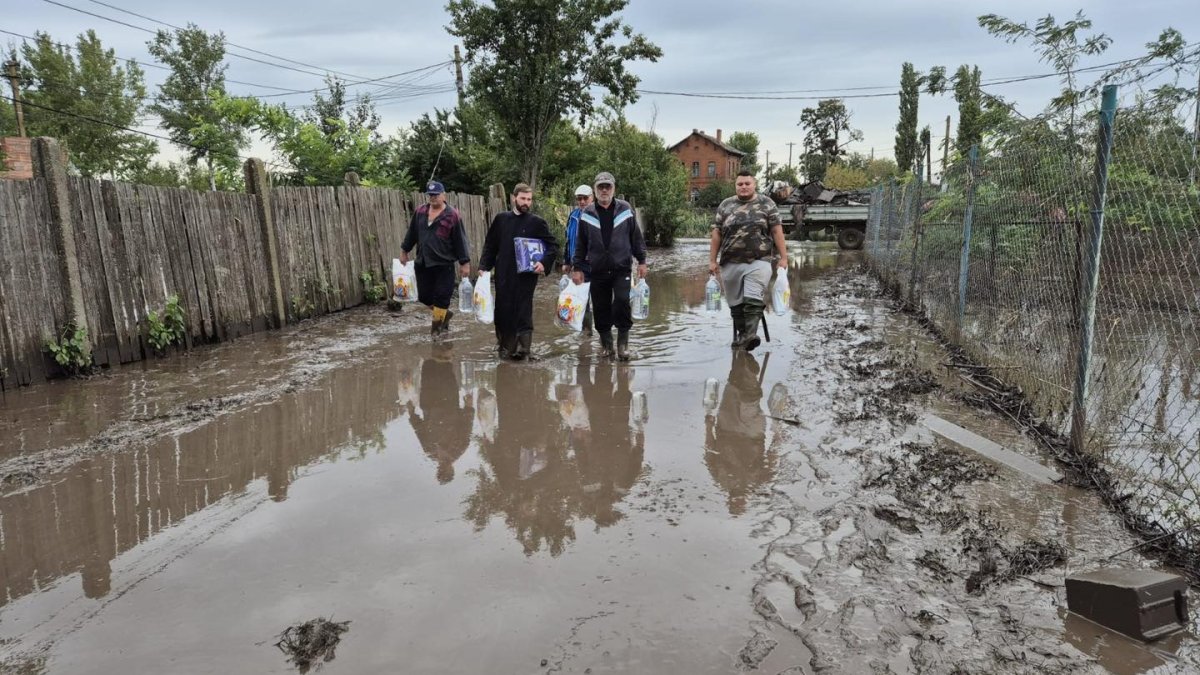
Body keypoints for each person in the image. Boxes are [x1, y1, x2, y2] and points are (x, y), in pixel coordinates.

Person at [571, 172, 647, 361]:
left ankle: (623, 345)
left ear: (614, 188)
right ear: (595, 190)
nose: (604, 190)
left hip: (621, 268)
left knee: (621, 301)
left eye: (608, 186)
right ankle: (606, 346)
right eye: (600, 187)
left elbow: (636, 237)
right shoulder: (587, 213)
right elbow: (580, 243)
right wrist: (577, 267)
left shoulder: (625, 209)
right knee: (600, 307)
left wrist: (642, 261)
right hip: (596, 269)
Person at [710, 170, 788, 352]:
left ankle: (751, 334)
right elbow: (716, 234)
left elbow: (777, 231)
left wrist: (783, 257)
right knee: (735, 302)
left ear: (754, 184)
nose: (743, 187)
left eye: (747, 183)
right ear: (735, 186)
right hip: (730, 261)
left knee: (752, 297)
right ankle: (743, 335)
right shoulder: (725, 205)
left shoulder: (767, 204)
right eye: (740, 184)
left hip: (759, 260)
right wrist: (712, 261)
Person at [479, 183, 559, 360]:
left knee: (523, 309)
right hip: (504, 273)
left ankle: (524, 350)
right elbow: (490, 245)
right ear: (513, 198)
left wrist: (543, 263)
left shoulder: (537, 222)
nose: (526, 203)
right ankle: (505, 346)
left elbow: (552, 246)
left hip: (526, 276)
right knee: (502, 310)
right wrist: (484, 267)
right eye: (523, 198)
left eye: (529, 199)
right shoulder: (501, 219)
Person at [399, 181, 472, 337]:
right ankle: (445, 315)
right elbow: (412, 233)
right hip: (423, 262)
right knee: (424, 296)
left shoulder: (452, 215)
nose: (433, 198)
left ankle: (436, 333)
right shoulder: (420, 212)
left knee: (441, 297)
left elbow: (460, 239)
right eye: (430, 195)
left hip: (444, 264)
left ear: (443, 195)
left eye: (436, 195)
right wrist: (404, 250)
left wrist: (464, 262)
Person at [563, 184, 595, 335]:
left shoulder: (597, 215)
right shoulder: (573, 215)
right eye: (579, 199)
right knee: (582, 300)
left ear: (592, 198)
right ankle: (586, 332)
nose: (582, 201)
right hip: (577, 265)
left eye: (585, 198)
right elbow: (568, 239)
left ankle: (600, 334)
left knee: (599, 300)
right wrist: (566, 261)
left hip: (594, 264)